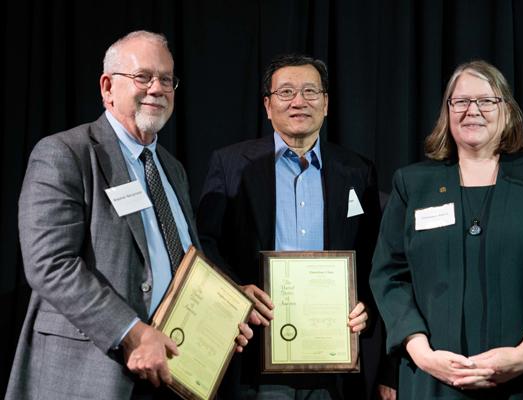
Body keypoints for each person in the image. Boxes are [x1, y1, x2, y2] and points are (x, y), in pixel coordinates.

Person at [6, 30, 253, 400]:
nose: (157, 88)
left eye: (167, 79)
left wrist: (225, 302)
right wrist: (133, 331)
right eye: (143, 77)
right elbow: (49, 265)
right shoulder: (66, 154)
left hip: (170, 373)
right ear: (108, 87)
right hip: (91, 371)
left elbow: (184, 261)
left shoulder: (172, 168)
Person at [369, 59, 523, 399]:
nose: (471, 110)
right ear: (447, 112)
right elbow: (388, 275)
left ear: (506, 110)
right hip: (434, 380)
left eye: (485, 101)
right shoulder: (413, 184)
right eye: (460, 101)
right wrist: (423, 354)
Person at [196, 54, 395, 399]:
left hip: (335, 356)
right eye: (286, 92)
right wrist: (235, 291)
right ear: (267, 105)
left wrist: (365, 304)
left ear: (327, 103)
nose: (299, 101)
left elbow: (374, 254)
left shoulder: (357, 170)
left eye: (310, 91)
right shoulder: (230, 164)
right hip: (256, 352)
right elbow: (205, 243)